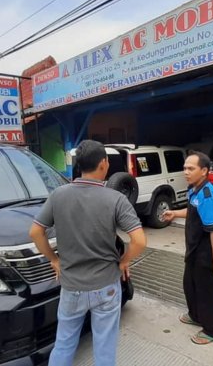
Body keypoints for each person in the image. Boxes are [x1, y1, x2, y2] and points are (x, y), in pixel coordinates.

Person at [29, 139, 146, 366]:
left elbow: (35, 232)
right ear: (104, 163)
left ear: (79, 165)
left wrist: (53, 260)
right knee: (104, 346)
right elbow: (139, 241)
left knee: (64, 343)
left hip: (72, 286)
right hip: (107, 286)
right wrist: (123, 262)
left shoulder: (58, 195)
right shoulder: (116, 199)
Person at [161, 150, 213, 345]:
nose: (186, 172)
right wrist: (174, 213)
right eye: (184, 168)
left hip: (207, 253)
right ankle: (195, 315)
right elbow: (192, 211)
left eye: (191, 168)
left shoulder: (208, 195)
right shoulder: (194, 189)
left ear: (204, 171)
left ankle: (211, 330)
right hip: (193, 250)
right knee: (190, 285)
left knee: (206, 291)